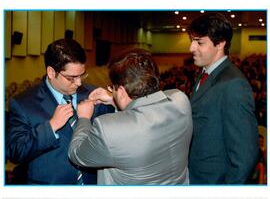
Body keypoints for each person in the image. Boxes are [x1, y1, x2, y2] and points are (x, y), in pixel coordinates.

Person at [68, 48, 193, 185]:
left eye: (113, 89)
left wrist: (84, 118)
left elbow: (77, 154)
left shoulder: (107, 129)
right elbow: (151, 106)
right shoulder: (181, 101)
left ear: (121, 91)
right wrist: (114, 100)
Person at [6, 39, 114, 184]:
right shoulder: (23, 103)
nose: (79, 83)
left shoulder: (94, 94)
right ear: (51, 72)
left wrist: (114, 101)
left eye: (82, 75)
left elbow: (121, 132)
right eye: (71, 78)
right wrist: (51, 127)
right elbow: (15, 152)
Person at [187, 12, 259, 184]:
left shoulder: (233, 85)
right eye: (192, 40)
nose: (191, 48)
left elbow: (245, 155)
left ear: (220, 44)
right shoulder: (205, 72)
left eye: (199, 42)